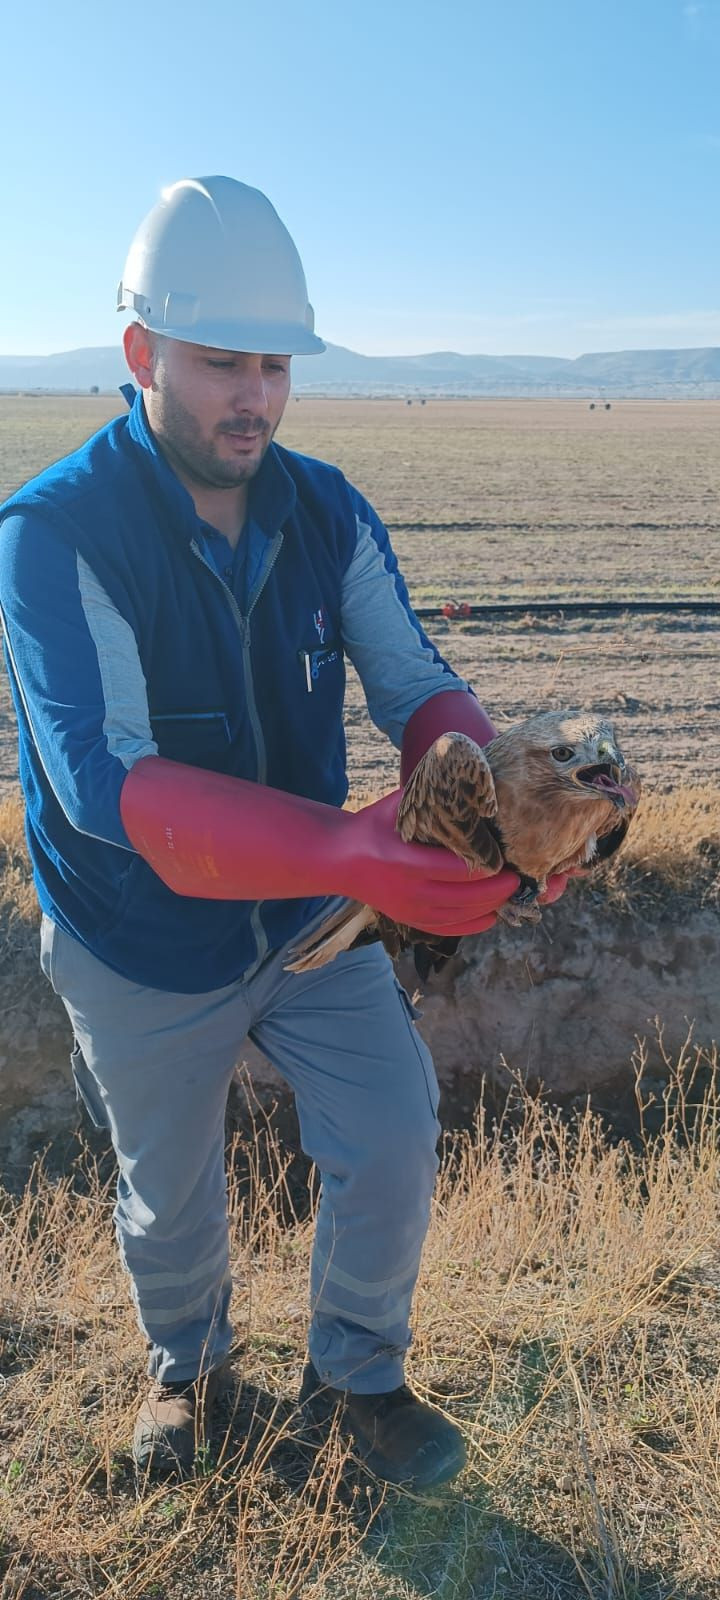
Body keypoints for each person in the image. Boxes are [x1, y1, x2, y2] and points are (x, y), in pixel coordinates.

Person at [0, 176, 563, 1488]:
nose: (252, 395)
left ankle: (360, 1379)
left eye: (273, 363)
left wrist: (500, 811)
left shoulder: (325, 510)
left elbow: (420, 691)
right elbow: (104, 786)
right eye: (217, 363)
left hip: (309, 921)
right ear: (141, 353)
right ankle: (190, 1376)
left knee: (392, 1125)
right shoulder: (51, 536)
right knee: (172, 1189)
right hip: (138, 938)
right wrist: (352, 852)